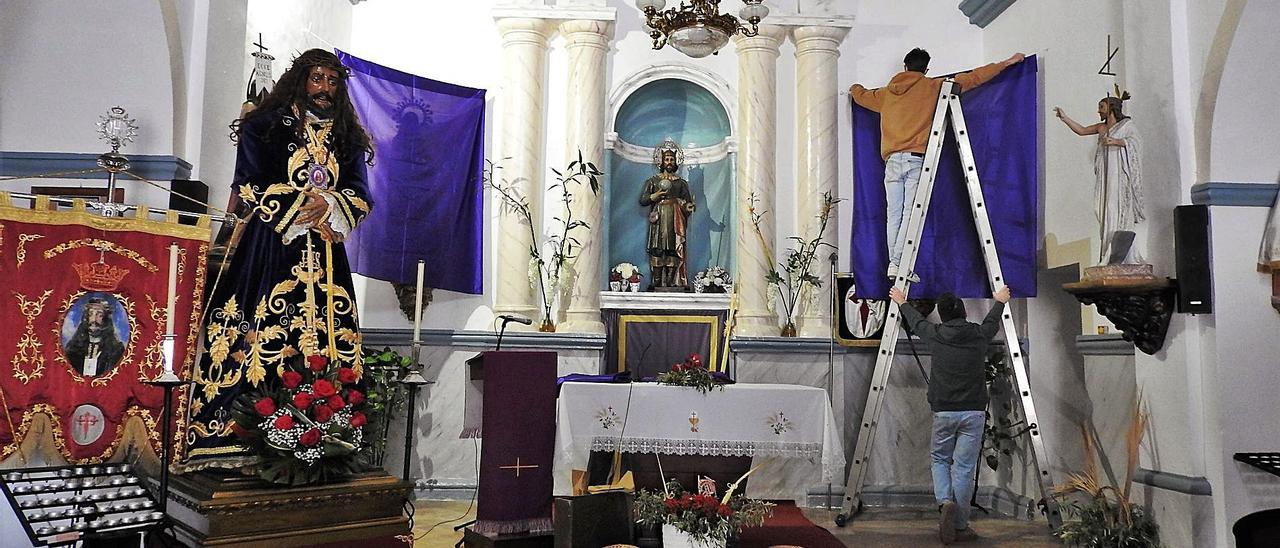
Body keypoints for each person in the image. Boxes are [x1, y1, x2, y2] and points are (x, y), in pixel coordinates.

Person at [183, 49, 374, 469]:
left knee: (330, 337)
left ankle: (327, 433)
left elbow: (362, 191)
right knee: (259, 326)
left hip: (326, 254)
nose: (325, 89)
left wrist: (331, 206)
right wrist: (296, 207)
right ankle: (241, 436)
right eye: (317, 79)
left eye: (332, 81)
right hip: (272, 246)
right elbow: (248, 182)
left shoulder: (347, 137)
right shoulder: (263, 125)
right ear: (300, 80)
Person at [851, 49, 1025, 282]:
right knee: (910, 215)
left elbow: (861, 96)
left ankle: (895, 263)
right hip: (915, 159)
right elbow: (973, 77)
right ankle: (898, 264)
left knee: (893, 215)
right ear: (926, 69)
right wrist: (1006, 63)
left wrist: (853, 87)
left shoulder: (886, 95)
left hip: (892, 161)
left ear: (905, 66)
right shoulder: (934, 87)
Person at [889, 284, 1010, 544]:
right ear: (964, 312)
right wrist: (999, 301)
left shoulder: (935, 334)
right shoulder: (978, 334)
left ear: (941, 315)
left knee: (940, 460)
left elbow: (916, 321)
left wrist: (901, 301)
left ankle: (945, 503)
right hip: (974, 411)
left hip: (944, 411)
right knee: (964, 469)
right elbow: (991, 321)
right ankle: (961, 525)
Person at [1054, 93, 1145, 264]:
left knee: (1115, 209)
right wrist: (1065, 118)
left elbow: (1136, 142)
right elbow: (1081, 131)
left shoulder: (1126, 125)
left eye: (1101, 107)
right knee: (1102, 210)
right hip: (1105, 177)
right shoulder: (1101, 128)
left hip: (1119, 178)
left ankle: (1119, 254)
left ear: (1111, 108)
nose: (1098, 111)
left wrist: (1117, 142)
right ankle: (1106, 253)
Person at [640, 142, 696, 290]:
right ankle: (656, 282)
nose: (669, 162)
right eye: (667, 159)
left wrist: (688, 207)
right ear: (661, 161)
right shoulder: (653, 181)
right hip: (659, 218)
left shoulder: (681, 183)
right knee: (657, 248)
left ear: (676, 161)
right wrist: (656, 195)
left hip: (675, 219)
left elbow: (687, 202)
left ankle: (671, 282)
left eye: (672, 159)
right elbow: (643, 200)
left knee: (672, 249)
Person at [65, 298, 125, 377]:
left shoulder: (116, 349)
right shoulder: (73, 348)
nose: (94, 320)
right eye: (90, 314)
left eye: (99, 315)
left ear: (106, 320)